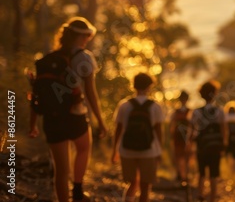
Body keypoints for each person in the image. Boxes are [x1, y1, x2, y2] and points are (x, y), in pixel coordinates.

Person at [28, 16, 107, 202]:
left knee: (61, 171)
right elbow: (90, 93)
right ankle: (78, 189)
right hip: (75, 116)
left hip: (52, 119)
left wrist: (33, 124)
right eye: (88, 36)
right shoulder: (84, 57)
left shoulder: (46, 60)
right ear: (84, 36)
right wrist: (101, 122)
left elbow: (36, 94)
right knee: (83, 147)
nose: (88, 39)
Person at [112, 73, 164, 202]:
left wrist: (115, 150)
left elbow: (118, 130)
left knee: (132, 182)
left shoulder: (124, 105)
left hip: (127, 150)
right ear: (149, 86)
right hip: (149, 151)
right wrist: (160, 151)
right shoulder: (155, 106)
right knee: (145, 187)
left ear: (134, 85)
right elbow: (158, 131)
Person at [187, 80, 226, 202]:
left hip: (202, 147)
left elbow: (192, 131)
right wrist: (224, 144)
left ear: (201, 94)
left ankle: (200, 196)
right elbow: (224, 129)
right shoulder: (219, 111)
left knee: (201, 173)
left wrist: (189, 144)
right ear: (214, 94)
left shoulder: (196, 112)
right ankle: (213, 199)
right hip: (215, 147)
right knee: (214, 174)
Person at [170, 90, 191, 182]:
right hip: (178, 136)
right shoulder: (176, 111)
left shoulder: (189, 111)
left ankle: (185, 174)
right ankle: (179, 173)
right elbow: (172, 124)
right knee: (178, 155)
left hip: (186, 136)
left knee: (186, 156)